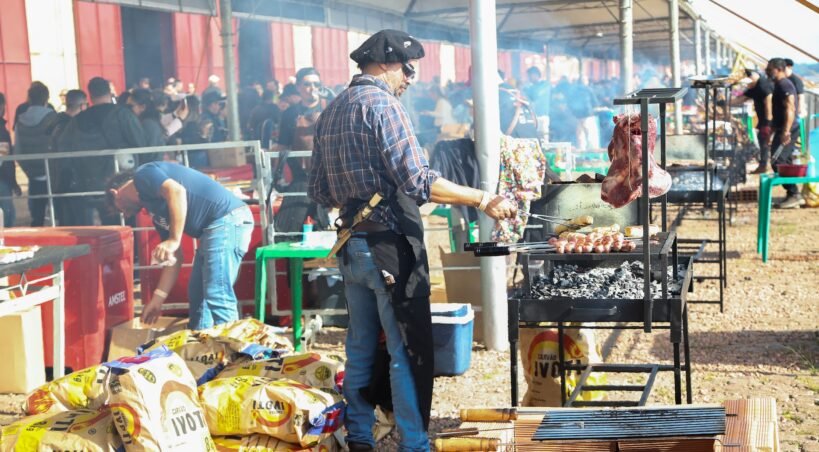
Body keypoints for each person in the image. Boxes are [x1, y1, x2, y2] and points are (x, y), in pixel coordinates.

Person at [308, 29, 516, 451]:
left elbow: (319, 192)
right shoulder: (384, 106)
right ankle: (415, 444)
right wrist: (482, 198)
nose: (411, 78)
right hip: (389, 246)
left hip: (352, 246)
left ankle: (360, 437)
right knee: (406, 348)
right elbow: (419, 181)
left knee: (361, 346)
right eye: (407, 69)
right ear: (385, 64)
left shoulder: (330, 111)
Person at [106, 162, 253, 329]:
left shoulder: (143, 174)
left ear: (115, 193)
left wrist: (173, 240)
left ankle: (235, 349)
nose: (126, 214)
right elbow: (174, 257)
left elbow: (176, 191)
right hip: (215, 227)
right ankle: (199, 345)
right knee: (198, 295)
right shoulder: (157, 211)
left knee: (216, 290)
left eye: (121, 210)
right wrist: (158, 299)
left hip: (226, 219)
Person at [57, 76, 146, 225]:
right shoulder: (123, 115)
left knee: (103, 228)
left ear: (90, 96)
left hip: (88, 183)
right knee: (127, 226)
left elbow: (64, 148)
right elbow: (141, 144)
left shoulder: (77, 120)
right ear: (110, 93)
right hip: (121, 182)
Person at [14, 82, 59, 227]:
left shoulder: (20, 120)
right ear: (46, 99)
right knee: (59, 216)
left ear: (29, 99)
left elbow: (18, 151)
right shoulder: (54, 118)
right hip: (53, 174)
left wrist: (28, 171)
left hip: (33, 175)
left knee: (37, 217)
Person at [766, 58, 802, 209]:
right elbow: (778, 112)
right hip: (782, 128)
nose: (767, 71)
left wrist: (786, 131)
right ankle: (791, 194)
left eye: (770, 69)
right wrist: (772, 131)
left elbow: (790, 108)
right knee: (782, 161)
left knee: (777, 160)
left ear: (779, 69)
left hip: (789, 129)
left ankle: (794, 194)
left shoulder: (784, 84)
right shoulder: (778, 85)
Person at [50, 89, 87, 225]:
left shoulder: (56, 123)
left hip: (59, 181)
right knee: (79, 223)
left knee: (66, 222)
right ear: (82, 105)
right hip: (72, 180)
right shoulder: (72, 126)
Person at [278, 67, 327, 151]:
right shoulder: (289, 113)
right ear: (298, 87)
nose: (313, 88)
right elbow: (283, 145)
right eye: (307, 84)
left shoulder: (332, 109)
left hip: (328, 163)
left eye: (316, 84)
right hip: (300, 163)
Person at [734, 70, 773, 174]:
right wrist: (722, 102)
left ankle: (766, 165)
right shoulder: (754, 88)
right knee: (762, 140)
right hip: (764, 120)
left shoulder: (763, 86)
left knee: (765, 141)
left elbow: (769, 105)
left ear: (754, 77)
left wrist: (768, 123)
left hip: (770, 120)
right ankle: (764, 164)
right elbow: (740, 99)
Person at [0, 93, 20, 226]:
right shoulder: (2, 131)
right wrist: (13, 182)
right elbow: (5, 159)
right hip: (2, 180)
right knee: (8, 214)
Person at [569, 76, 599, 150]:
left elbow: (569, 102)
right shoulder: (588, 90)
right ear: (585, 82)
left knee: (580, 135)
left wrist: (573, 113)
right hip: (588, 115)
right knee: (590, 134)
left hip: (577, 116)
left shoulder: (573, 90)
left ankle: (581, 149)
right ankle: (592, 150)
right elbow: (595, 103)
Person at [524, 66, 551, 139]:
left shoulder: (545, 84)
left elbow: (536, 95)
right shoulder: (530, 87)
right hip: (534, 117)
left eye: (530, 75)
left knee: (544, 138)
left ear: (536, 74)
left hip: (543, 116)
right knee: (537, 138)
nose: (529, 78)